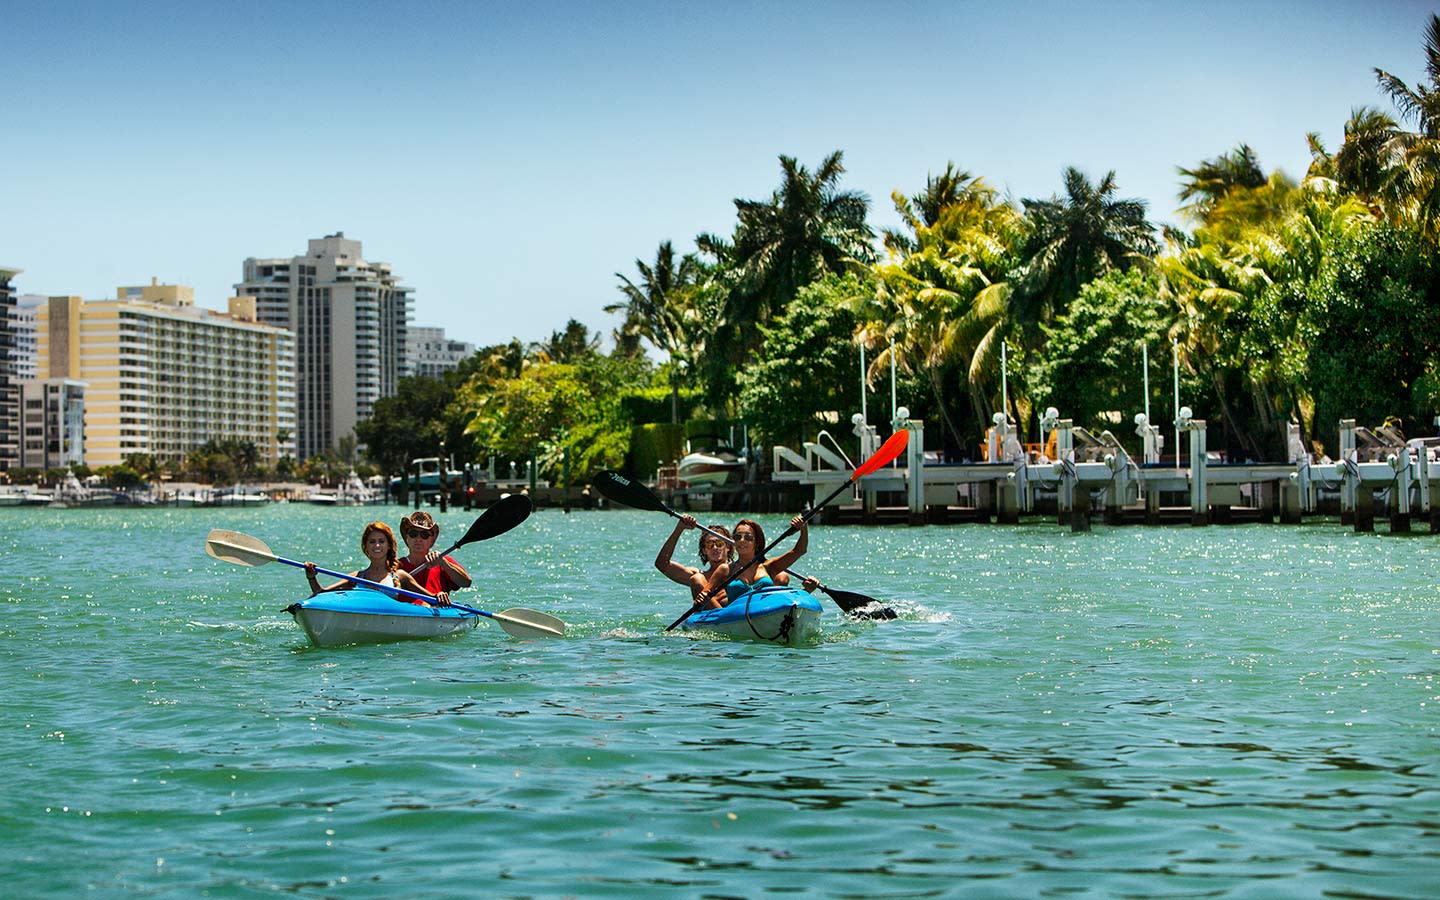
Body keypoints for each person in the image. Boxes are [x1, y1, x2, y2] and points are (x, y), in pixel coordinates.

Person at [304, 521, 450, 607]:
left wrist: (440, 596)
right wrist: (311, 577)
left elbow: (432, 598)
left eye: (381, 541)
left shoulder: (400, 576)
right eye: (372, 542)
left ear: (388, 546)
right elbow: (320, 594)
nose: (377, 546)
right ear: (366, 547)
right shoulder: (357, 577)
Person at [697, 515, 810, 610]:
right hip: (735, 617)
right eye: (737, 537)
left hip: (764, 613)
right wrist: (703, 597)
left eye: (748, 537)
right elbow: (705, 593)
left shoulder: (769, 567)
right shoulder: (725, 569)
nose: (742, 540)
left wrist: (803, 529)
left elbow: (799, 551)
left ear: (756, 543)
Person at [654, 514, 734, 607]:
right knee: (697, 578)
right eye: (709, 544)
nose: (715, 548)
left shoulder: (739, 569)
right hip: (715, 618)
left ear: (728, 547)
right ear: (704, 550)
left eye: (719, 543)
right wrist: (679, 528)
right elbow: (662, 564)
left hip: (738, 615)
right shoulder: (698, 575)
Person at [396, 510, 472, 595]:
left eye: (424, 535)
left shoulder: (442, 561)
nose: (418, 539)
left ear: (431, 540)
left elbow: (466, 583)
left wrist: (444, 564)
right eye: (413, 534)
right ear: (407, 537)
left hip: (433, 607)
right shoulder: (396, 565)